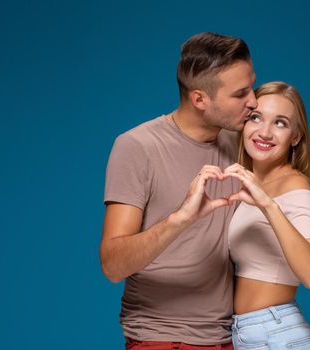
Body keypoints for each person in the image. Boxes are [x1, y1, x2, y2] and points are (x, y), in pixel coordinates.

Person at [101, 32, 257, 349]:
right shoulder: (137, 146)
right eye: (240, 94)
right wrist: (180, 219)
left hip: (227, 337)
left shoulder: (242, 145)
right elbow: (112, 265)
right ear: (200, 99)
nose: (253, 101)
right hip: (161, 337)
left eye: (252, 86)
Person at [224, 81, 310, 350]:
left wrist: (268, 205)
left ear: (295, 137)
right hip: (254, 334)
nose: (264, 132)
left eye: (280, 123)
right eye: (256, 118)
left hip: (277, 336)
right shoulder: (250, 184)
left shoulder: (295, 187)